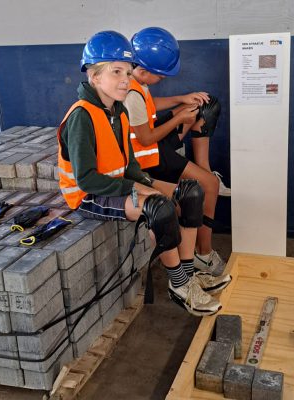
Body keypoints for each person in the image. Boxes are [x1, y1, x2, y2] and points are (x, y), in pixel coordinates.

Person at [57, 30, 231, 316]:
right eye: (116, 72)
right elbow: (86, 179)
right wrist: (140, 190)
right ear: (94, 75)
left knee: (190, 192)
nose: (125, 79)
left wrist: (147, 182)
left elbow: (129, 165)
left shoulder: (118, 112)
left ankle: (188, 274)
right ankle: (179, 286)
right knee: (159, 207)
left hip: (117, 183)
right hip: (88, 195)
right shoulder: (82, 116)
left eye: (127, 72)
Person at [124, 27, 229, 275]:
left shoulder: (135, 82)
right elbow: (146, 138)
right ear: (143, 70)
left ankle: (204, 171)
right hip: (147, 158)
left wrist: (183, 98)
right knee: (210, 186)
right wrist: (178, 116)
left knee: (205, 107)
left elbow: (150, 106)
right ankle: (204, 255)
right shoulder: (130, 94)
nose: (163, 80)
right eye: (160, 77)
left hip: (152, 146)